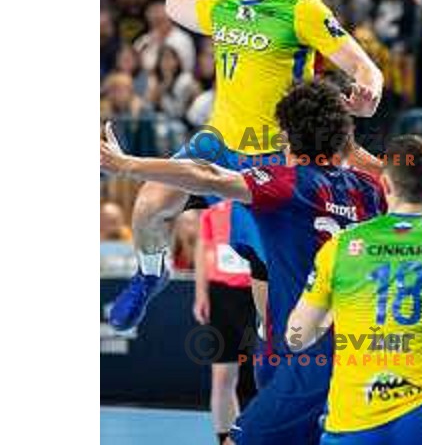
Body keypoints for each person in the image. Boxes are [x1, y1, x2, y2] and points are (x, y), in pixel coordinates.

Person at [107, 0, 383, 333]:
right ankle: (150, 272)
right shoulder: (224, 8)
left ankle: (287, 354)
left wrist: (368, 99)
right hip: (219, 141)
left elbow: (366, 69)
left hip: (273, 157)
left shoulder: (301, 10)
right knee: (148, 204)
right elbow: (177, 1)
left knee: (266, 297)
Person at [101, 79, 388, 445]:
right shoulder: (370, 191)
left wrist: (128, 165)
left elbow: (207, 175)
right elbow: (405, 173)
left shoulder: (285, 186)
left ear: (285, 137)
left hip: (303, 360)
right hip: (360, 356)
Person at [286, 134, 422, 445]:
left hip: (353, 420)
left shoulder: (340, 247)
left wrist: (335, 311)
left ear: (384, 185)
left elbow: (295, 338)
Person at [193, 201, 258, 445]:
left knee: (262, 374)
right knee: (222, 375)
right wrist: (201, 293)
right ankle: (224, 439)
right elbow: (203, 244)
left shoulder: (263, 200)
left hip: (258, 296)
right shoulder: (214, 204)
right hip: (222, 296)